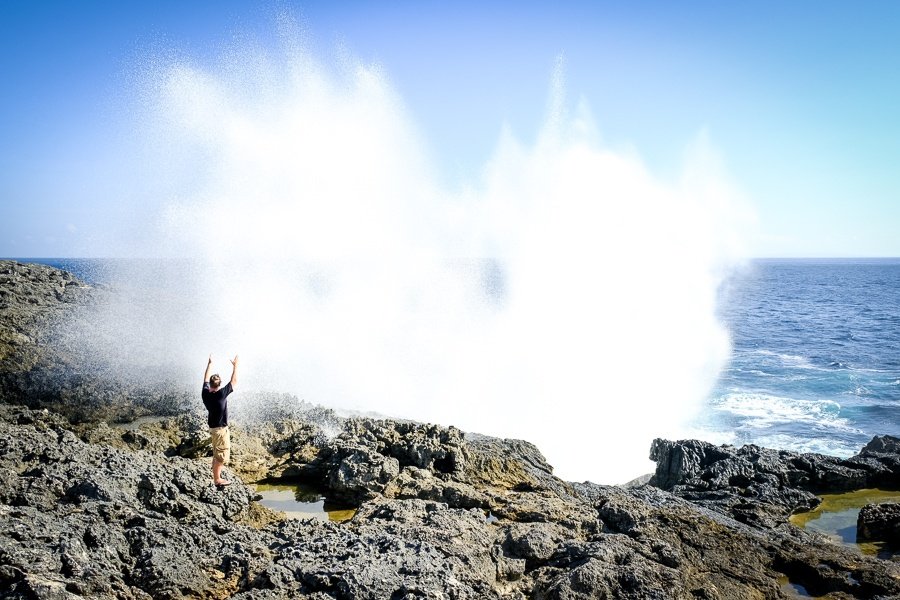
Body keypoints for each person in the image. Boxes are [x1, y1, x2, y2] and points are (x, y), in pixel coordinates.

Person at [202, 354, 239, 487]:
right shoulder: (221, 394)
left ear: (210, 384)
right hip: (220, 430)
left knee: (216, 454)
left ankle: (216, 477)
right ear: (219, 385)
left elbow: (205, 379)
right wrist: (235, 366)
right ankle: (217, 480)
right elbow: (234, 381)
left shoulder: (205, 394)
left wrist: (210, 364)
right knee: (221, 455)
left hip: (213, 428)